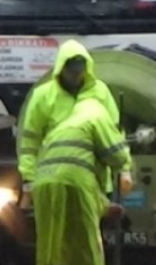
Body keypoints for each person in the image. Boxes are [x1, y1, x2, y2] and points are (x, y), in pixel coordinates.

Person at [32, 93, 133, 265]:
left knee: (55, 245)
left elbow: (75, 168)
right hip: (74, 185)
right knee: (83, 246)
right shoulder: (97, 115)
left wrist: (106, 207)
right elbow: (115, 155)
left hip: (43, 186)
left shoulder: (64, 124)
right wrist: (126, 167)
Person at [18, 39, 131, 197]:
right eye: (71, 71)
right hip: (55, 179)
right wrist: (28, 179)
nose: (76, 76)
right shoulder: (42, 96)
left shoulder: (100, 92)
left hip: (94, 182)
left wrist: (123, 169)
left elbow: (114, 134)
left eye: (79, 71)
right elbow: (30, 142)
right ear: (61, 68)